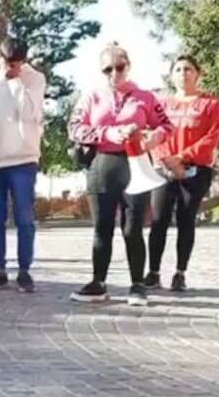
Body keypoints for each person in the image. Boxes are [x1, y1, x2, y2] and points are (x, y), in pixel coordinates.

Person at [67, 43, 172, 307]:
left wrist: (154, 137)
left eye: (119, 67)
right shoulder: (91, 96)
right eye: (107, 69)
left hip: (136, 163)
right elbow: (74, 128)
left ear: (128, 66)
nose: (114, 73)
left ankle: (138, 284)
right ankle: (98, 282)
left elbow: (166, 126)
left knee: (132, 228)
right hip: (102, 164)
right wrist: (106, 134)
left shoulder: (145, 97)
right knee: (102, 227)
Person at [146, 55, 219, 292]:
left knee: (185, 220)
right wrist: (168, 160)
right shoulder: (162, 105)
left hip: (195, 171)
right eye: (178, 69)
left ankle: (180, 272)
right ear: (172, 75)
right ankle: (153, 271)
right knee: (158, 220)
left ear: (198, 74)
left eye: (188, 69)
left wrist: (182, 158)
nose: (183, 73)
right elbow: (155, 134)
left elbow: (211, 137)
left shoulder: (211, 104)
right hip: (163, 169)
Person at [0, 39, 46, 293]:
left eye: (17, 62)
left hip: (24, 158)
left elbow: (31, 115)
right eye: (8, 62)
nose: (12, 67)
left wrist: (19, 82)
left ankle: (24, 270)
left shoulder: (35, 79)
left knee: (24, 217)